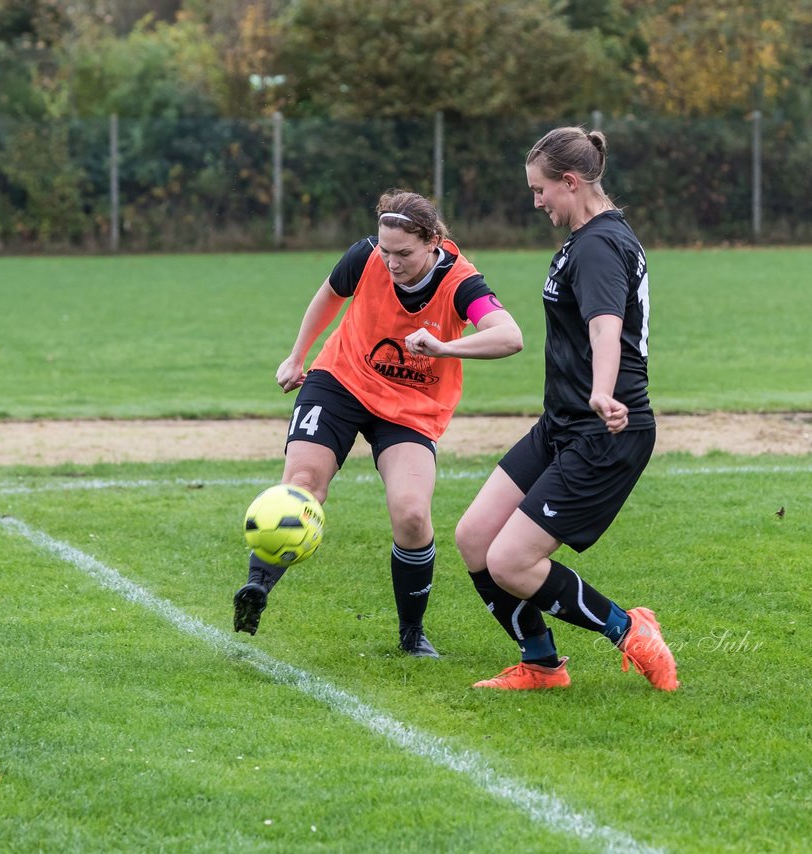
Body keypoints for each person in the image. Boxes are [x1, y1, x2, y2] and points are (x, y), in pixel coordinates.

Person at [233, 189, 523, 657]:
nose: (391, 262)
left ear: (433, 242)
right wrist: (297, 355)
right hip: (341, 380)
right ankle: (256, 588)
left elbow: (510, 336)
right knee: (303, 484)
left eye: (403, 253)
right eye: (386, 251)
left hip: (412, 405)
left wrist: (445, 348)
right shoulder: (366, 255)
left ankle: (412, 634)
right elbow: (330, 294)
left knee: (411, 514)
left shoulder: (461, 281)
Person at [454, 126, 679, 691]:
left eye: (540, 190)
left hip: (605, 430)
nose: (536, 202)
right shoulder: (590, 238)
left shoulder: (601, 245)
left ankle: (629, 629)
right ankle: (541, 665)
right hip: (562, 424)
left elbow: (607, 327)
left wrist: (603, 392)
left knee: (510, 561)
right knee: (475, 538)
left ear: (571, 182)